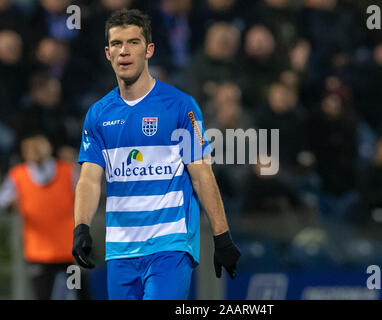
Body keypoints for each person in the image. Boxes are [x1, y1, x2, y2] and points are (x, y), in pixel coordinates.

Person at [72, 8, 241, 300]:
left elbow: (201, 175)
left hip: (170, 246)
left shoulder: (180, 106)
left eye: (133, 42)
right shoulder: (98, 115)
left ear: (149, 49)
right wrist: (81, 228)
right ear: (107, 53)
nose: (124, 51)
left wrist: (222, 236)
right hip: (120, 249)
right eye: (116, 44)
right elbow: (89, 179)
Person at [0, 132, 89, 300]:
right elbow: (4, 201)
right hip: (38, 253)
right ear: (24, 152)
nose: (35, 151)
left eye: (39, 146)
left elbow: (87, 192)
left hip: (69, 252)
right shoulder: (18, 175)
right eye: (30, 148)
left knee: (79, 293)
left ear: (48, 148)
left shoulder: (67, 170)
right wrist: (13, 204)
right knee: (42, 295)